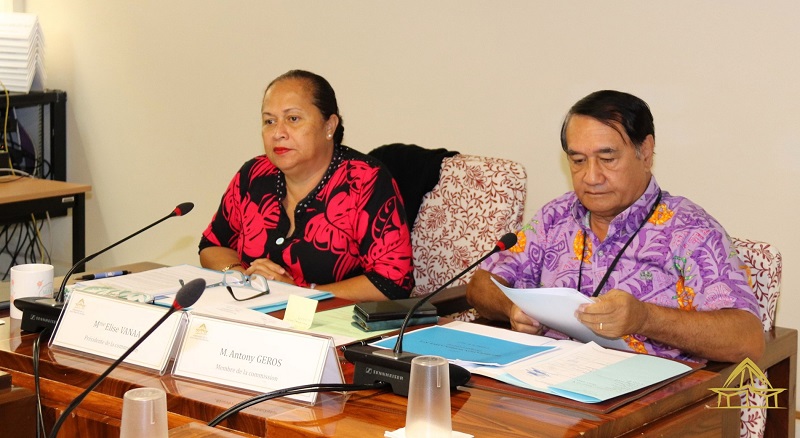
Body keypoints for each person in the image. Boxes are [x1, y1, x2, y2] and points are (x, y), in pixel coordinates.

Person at [466, 90, 764, 363]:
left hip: (651, 401)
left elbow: (747, 339)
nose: (591, 176)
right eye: (578, 160)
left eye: (607, 158)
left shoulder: (690, 232)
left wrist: (645, 318)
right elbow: (482, 285)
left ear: (645, 152)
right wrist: (513, 309)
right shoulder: (555, 217)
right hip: (548, 382)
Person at [199, 70, 414, 301]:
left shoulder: (364, 180)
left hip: (334, 324)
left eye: (293, 119)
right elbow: (213, 245)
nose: (278, 133)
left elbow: (392, 282)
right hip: (254, 314)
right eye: (269, 121)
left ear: (329, 126)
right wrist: (242, 278)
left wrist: (298, 295)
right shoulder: (254, 174)